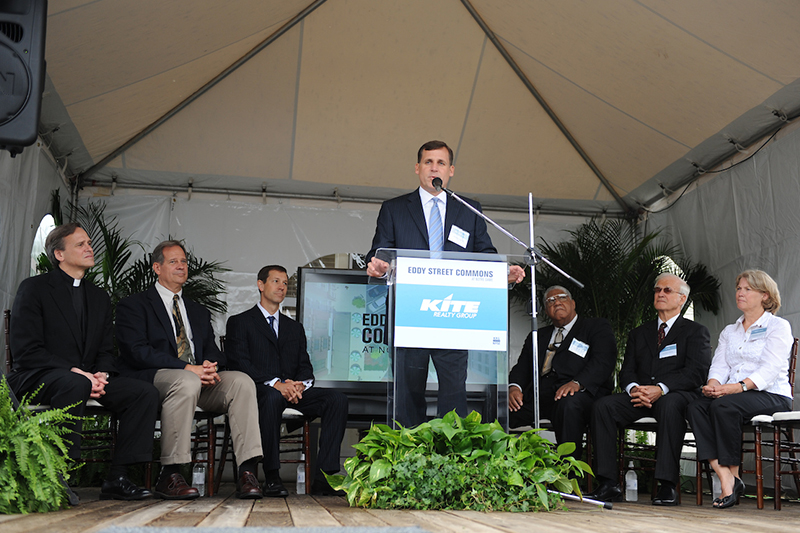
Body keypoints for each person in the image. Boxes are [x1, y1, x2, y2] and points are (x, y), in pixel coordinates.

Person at [366, 140, 524, 427]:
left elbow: (485, 253)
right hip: (410, 314)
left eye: (441, 163)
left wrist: (503, 272)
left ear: (451, 170)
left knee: (454, 393)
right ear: (417, 168)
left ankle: (450, 450)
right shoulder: (395, 208)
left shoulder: (469, 209)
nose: (434, 168)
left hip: (454, 314)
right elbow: (379, 251)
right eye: (428, 162)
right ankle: (409, 449)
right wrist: (377, 265)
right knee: (408, 392)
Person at [7, 223, 158, 503]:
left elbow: (105, 349)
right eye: (80, 244)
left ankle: (118, 478)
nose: (89, 248)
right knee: (74, 383)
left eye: (89, 243)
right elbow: (26, 351)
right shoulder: (34, 288)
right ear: (59, 254)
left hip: (85, 379)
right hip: (35, 376)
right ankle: (59, 475)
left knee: (143, 392)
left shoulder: (99, 297)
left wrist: (101, 374)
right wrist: (77, 372)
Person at [116, 240, 263, 500]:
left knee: (241, 382)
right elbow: (137, 351)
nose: (181, 266)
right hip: (156, 379)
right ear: (157, 268)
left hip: (197, 380)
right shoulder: (135, 305)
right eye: (173, 261)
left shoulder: (197, 310)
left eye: (184, 261)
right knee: (186, 380)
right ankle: (170, 473)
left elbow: (213, 350)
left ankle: (247, 471)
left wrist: (208, 365)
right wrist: (187, 368)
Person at [225, 265, 349, 497]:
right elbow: (239, 364)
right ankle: (272, 476)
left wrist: (300, 385)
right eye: (276, 281)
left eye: (285, 283)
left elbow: (305, 365)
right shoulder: (240, 322)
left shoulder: (294, 328)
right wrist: (276, 384)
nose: (281, 287)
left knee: (337, 400)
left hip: (292, 392)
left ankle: (325, 477)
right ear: (260, 285)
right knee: (272, 398)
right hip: (259, 390)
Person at [588, 273, 712, 505]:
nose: (660, 294)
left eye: (667, 290)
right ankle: (608, 484)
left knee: (669, 405)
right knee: (603, 406)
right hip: (641, 396)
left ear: (682, 299)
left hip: (676, 394)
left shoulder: (695, 331)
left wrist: (661, 388)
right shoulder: (639, 333)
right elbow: (627, 371)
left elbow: (697, 372)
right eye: (657, 290)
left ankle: (667, 485)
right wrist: (634, 389)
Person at [687, 270, 793, 509]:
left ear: (765, 296)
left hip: (772, 395)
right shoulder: (730, 331)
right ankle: (726, 476)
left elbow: (770, 368)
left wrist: (738, 387)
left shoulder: (778, 326)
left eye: (747, 289)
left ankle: (731, 481)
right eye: (738, 288)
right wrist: (713, 385)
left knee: (724, 406)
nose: (740, 293)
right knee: (695, 407)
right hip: (733, 395)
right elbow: (720, 366)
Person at [508, 285, 616, 460]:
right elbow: (522, 367)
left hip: (581, 394)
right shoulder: (537, 336)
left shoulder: (595, 327)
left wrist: (578, 383)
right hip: (541, 396)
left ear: (573, 303)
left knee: (568, 405)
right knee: (501, 410)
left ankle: (568, 471)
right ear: (546, 311)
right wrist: (514, 387)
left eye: (562, 297)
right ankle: (500, 468)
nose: (556, 302)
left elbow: (603, 361)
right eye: (550, 301)